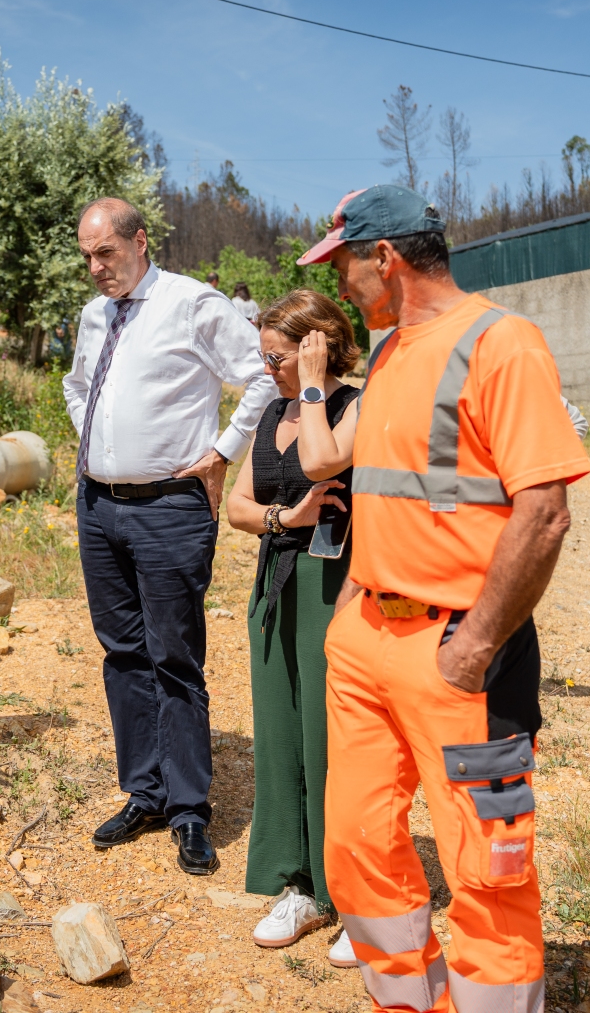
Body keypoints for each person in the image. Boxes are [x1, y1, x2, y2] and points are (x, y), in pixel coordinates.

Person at [306, 185, 590, 1009]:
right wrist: (355, 611)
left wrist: (474, 647)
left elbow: (543, 515)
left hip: (459, 656)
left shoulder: (504, 344)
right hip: (367, 643)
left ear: (384, 259)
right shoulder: (393, 351)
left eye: (345, 267)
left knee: (487, 871)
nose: (341, 286)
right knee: (358, 846)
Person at [66, 197, 278, 874]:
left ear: (140, 242)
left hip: (170, 510)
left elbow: (263, 377)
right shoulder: (94, 315)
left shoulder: (194, 304)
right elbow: (78, 386)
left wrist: (222, 451)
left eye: (106, 253)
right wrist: (96, 443)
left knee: (174, 659)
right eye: (87, 257)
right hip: (99, 507)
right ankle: (145, 792)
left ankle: (189, 808)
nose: (96, 268)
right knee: (122, 653)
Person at [223, 290, 360, 961]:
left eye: (276, 357)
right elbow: (238, 508)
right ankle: (297, 882)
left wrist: (312, 385)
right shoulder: (270, 412)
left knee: (332, 742)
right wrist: (287, 519)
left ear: (315, 346)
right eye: (264, 357)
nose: (266, 370)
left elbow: (322, 462)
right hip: (275, 585)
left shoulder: (352, 404)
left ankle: (359, 896)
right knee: (280, 738)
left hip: (335, 587)